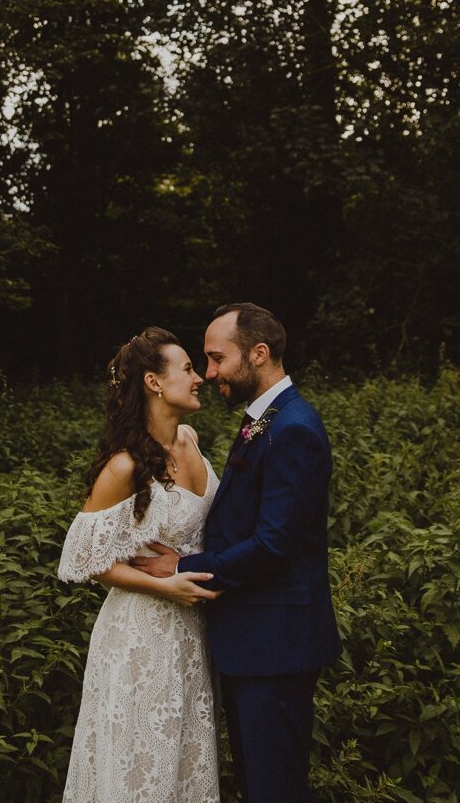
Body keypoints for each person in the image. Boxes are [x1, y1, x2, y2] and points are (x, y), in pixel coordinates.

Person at [130, 302, 342, 802]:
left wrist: (182, 566)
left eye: (217, 358)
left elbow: (273, 547)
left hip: (277, 646)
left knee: (276, 789)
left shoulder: (293, 430)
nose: (209, 373)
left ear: (259, 353)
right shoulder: (264, 420)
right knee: (259, 785)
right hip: (255, 641)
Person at [56, 327, 224, 802]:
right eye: (188, 369)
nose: (199, 379)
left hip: (191, 637)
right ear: (154, 382)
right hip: (139, 636)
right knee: (139, 766)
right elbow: (86, 559)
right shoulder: (125, 468)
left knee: (183, 764)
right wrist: (166, 588)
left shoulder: (189, 441)